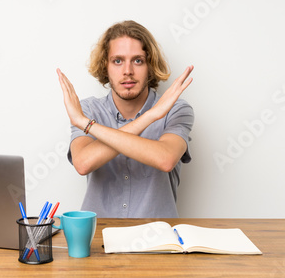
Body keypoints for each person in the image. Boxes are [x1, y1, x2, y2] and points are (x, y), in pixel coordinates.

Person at [57, 20, 194, 218]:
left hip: (157, 237)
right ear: (106, 66)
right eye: (118, 61)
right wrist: (150, 117)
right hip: (99, 236)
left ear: (150, 65)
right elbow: (83, 163)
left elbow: (166, 160)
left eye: (137, 60)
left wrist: (88, 126)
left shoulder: (176, 110)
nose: (127, 71)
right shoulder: (87, 110)